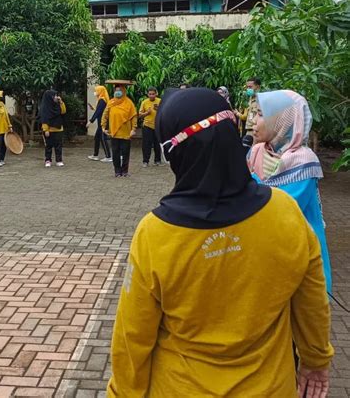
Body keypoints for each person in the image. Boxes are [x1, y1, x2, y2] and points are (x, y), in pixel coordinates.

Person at [107, 87, 333, 397]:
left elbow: (132, 337)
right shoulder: (286, 213)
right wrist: (315, 360)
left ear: (176, 152)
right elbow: (312, 301)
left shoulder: (155, 234)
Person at [248, 89, 332, 293]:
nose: (251, 121)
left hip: (298, 253)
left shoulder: (302, 160)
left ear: (282, 121)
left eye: (260, 114)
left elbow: (279, 208)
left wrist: (244, 179)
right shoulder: (258, 150)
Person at [101, 82, 137, 178]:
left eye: (120, 90)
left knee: (125, 153)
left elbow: (134, 116)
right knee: (115, 153)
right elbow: (105, 115)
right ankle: (117, 171)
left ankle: (125, 171)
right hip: (114, 132)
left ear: (124, 91)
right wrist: (103, 127)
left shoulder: (129, 103)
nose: (118, 92)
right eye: (116, 91)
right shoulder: (111, 102)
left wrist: (133, 129)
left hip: (126, 133)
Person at [40, 89, 66, 168]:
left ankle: (59, 160)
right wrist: (46, 130)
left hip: (59, 128)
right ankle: (48, 160)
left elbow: (63, 111)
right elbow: (44, 119)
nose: (56, 97)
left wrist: (61, 102)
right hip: (49, 130)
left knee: (58, 146)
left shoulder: (58, 104)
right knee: (48, 146)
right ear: (50, 97)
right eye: (54, 95)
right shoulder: (45, 107)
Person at [234, 77, 261, 152]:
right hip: (248, 129)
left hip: (256, 131)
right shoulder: (250, 99)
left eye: (250, 87)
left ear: (258, 87)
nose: (248, 89)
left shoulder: (261, 100)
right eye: (247, 87)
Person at [86, 85, 112, 162]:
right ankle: (95, 155)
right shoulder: (101, 100)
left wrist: (90, 121)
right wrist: (93, 108)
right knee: (97, 137)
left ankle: (108, 156)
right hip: (101, 122)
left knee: (103, 138)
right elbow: (99, 109)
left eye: (96, 91)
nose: (95, 92)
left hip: (103, 123)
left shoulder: (102, 100)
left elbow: (98, 111)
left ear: (100, 91)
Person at [139, 87, 162, 167]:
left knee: (157, 144)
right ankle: (145, 161)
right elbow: (140, 115)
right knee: (146, 145)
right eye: (150, 94)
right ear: (147, 94)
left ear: (156, 94)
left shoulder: (160, 101)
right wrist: (146, 113)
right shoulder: (144, 102)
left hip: (158, 125)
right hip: (147, 126)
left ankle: (157, 160)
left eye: (153, 94)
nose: (151, 96)